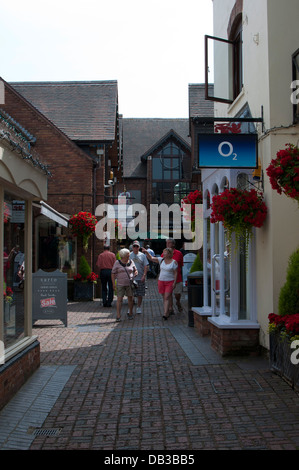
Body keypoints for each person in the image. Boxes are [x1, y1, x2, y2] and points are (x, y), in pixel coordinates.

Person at [142, 246, 177, 320]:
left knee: (167, 297)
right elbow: (151, 258)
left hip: (170, 281)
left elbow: (175, 273)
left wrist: (174, 282)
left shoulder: (174, 262)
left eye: (165, 253)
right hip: (161, 280)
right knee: (164, 297)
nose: (163, 254)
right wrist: (146, 252)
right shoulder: (161, 260)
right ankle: (167, 311)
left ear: (169, 254)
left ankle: (165, 314)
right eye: (163, 252)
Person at [111, 248, 138, 322]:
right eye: (127, 255)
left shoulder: (131, 261)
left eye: (129, 255)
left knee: (130, 299)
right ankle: (118, 315)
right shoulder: (117, 263)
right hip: (120, 284)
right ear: (123, 256)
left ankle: (130, 313)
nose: (129, 257)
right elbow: (113, 273)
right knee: (119, 299)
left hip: (130, 283)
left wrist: (135, 272)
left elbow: (135, 269)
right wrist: (113, 284)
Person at [163, 239, 184, 315]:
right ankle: (171, 308)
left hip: (177, 278)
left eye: (169, 243)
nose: (167, 244)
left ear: (173, 244)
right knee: (169, 294)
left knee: (177, 294)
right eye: (166, 243)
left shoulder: (179, 253)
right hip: (167, 279)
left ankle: (178, 302)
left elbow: (181, 266)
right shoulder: (163, 254)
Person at [129, 241, 149, 314]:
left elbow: (146, 266)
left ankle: (139, 307)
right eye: (134, 246)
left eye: (137, 246)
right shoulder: (129, 255)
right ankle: (130, 308)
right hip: (131, 278)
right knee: (131, 294)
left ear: (139, 247)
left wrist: (144, 275)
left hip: (140, 277)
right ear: (132, 247)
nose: (135, 248)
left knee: (140, 294)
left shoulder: (142, 255)